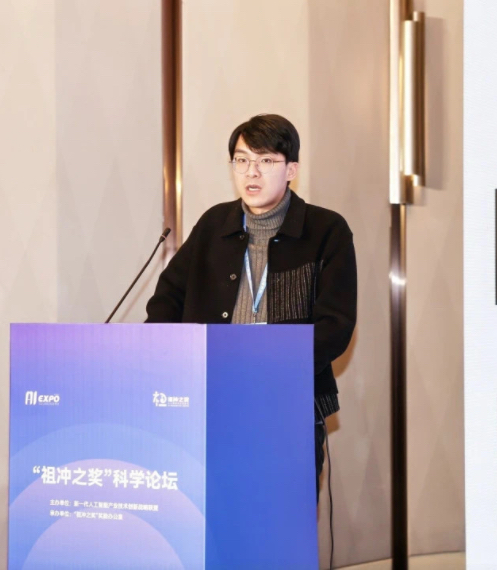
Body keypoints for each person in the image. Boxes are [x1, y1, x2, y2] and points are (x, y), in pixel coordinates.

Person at [145, 114, 357, 498]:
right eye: (242, 160)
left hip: (289, 406)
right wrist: (165, 354)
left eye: (266, 160)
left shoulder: (326, 231)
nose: (251, 172)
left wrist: (271, 364)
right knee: (211, 514)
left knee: (279, 518)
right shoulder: (214, 225)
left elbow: (336, 324)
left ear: (291, 169)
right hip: (209, 404)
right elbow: (168, 298)